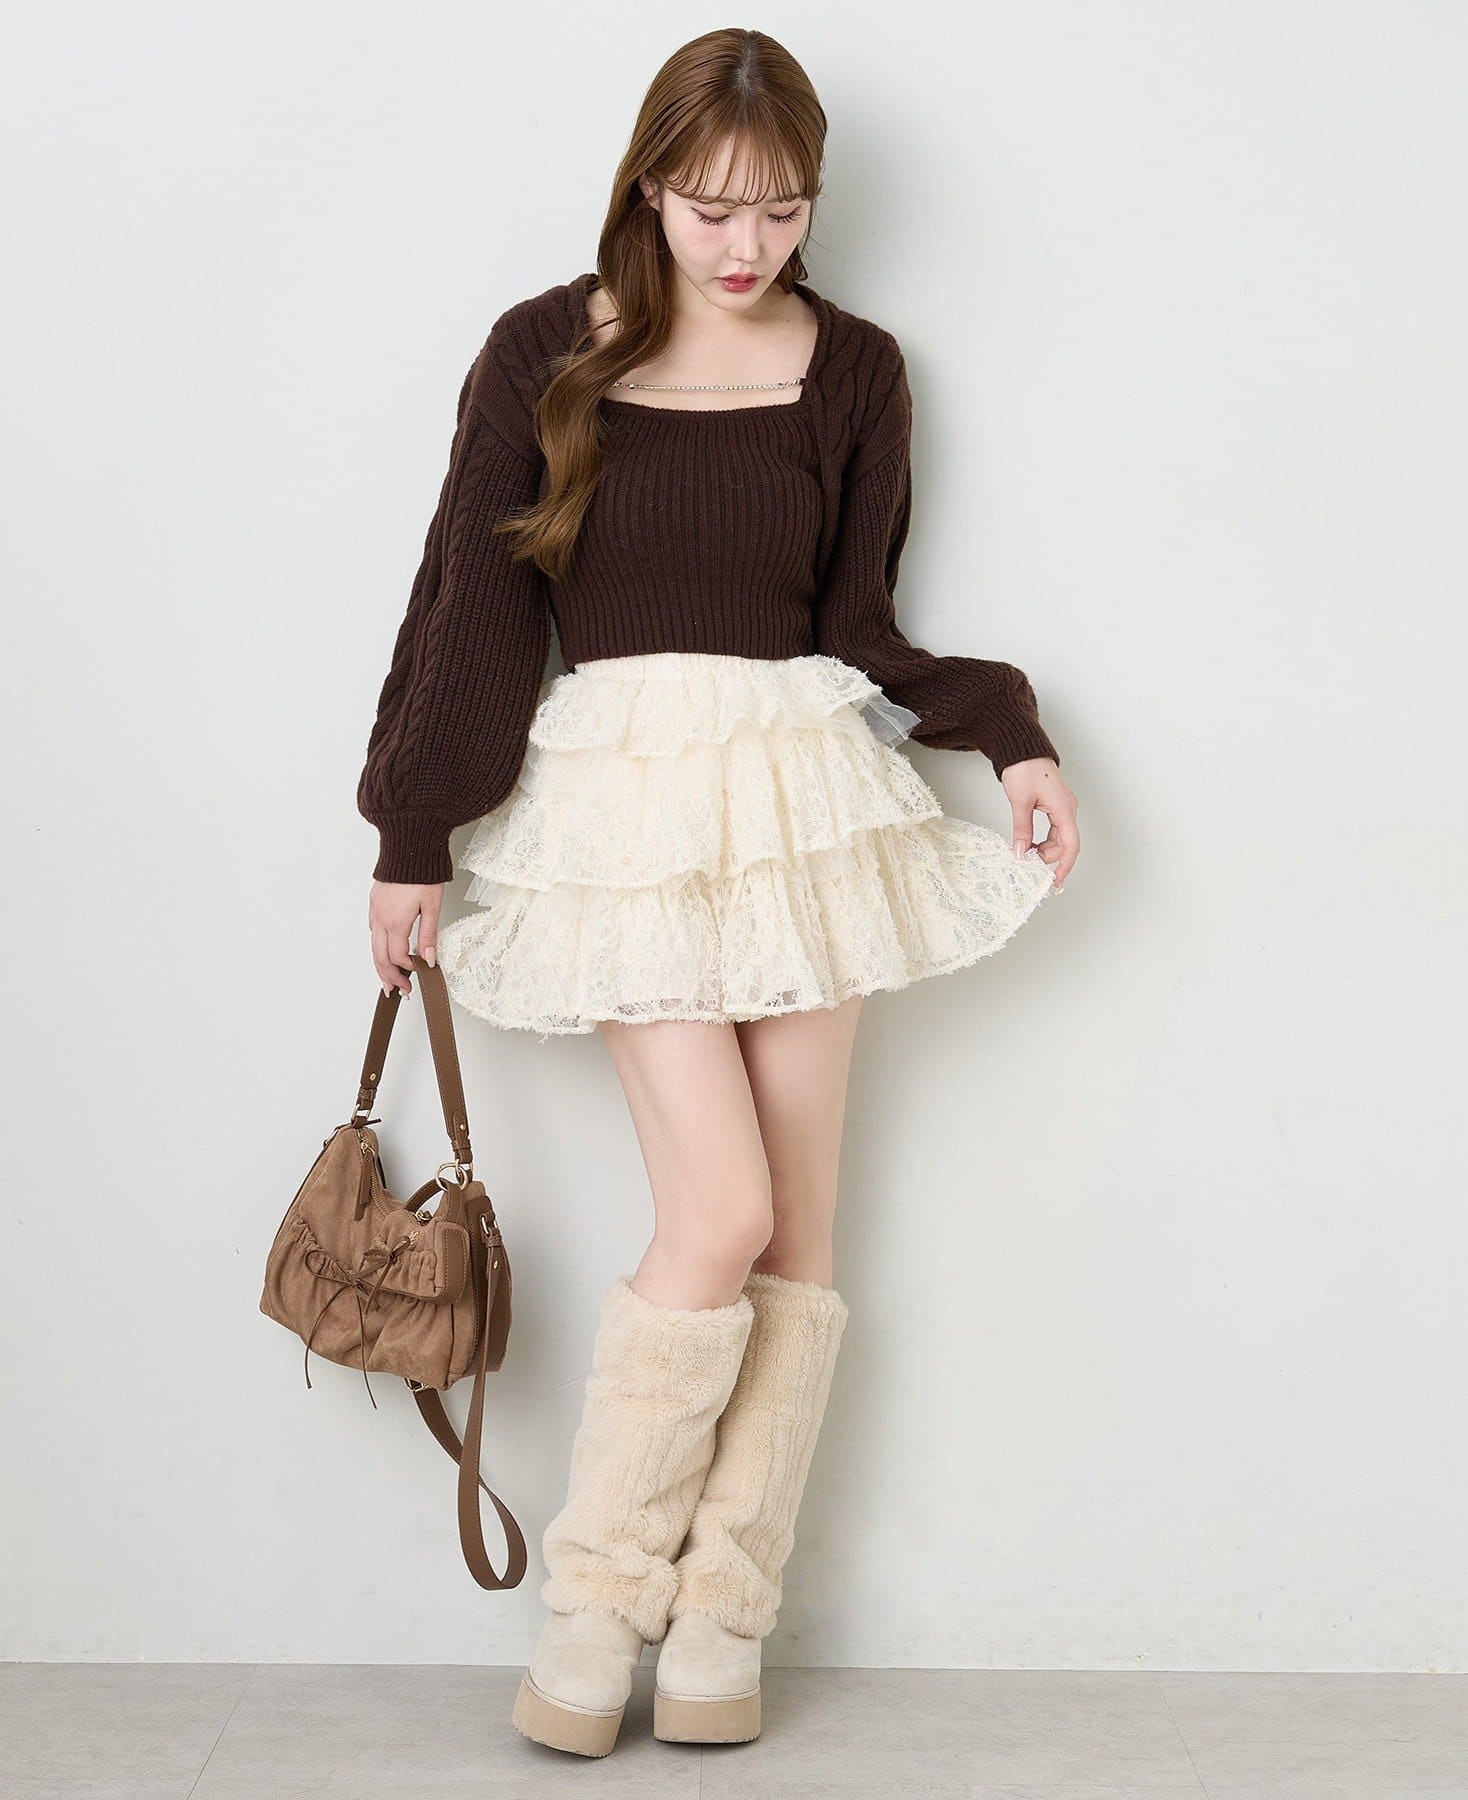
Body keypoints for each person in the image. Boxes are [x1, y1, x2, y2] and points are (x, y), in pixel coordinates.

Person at [355, 27, 1080, 1761]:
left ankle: (719, 1625)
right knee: (723, 1216)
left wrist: (1009, 732)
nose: (745, 246)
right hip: (623, 811)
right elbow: (472, 600)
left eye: (780, 209)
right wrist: (411, 829)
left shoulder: (858, 369)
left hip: (801, 798)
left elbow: (861, 625)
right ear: (649, 186)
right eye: (708, 208)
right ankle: (596, 1607)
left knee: (799, 1234)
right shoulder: (545, 350)